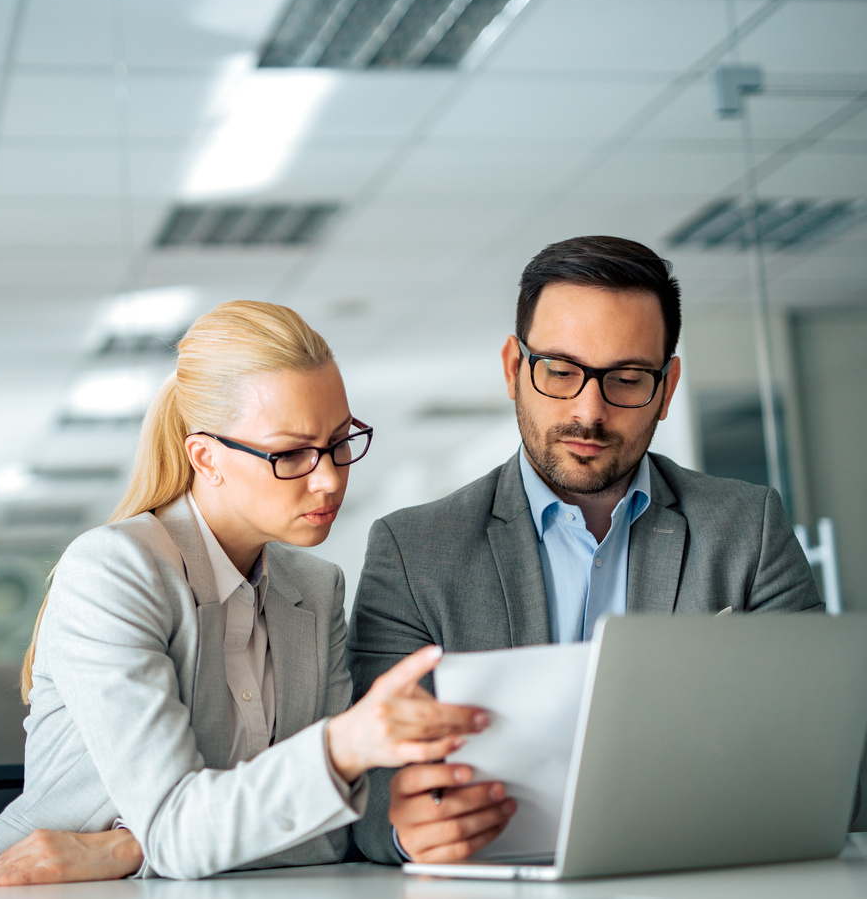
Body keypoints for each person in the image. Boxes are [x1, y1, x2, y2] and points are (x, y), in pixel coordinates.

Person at [0, 300, 487, 886]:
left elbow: (324, 838)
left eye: (338, 441)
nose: (328, 476)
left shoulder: (316, 589)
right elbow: (189, 831)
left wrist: (124, 849)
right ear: (206, 457)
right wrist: (340, 749)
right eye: (291, 454)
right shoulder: (115, 572)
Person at [347, 236, 822, 866]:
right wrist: (406, 825)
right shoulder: (413, 552)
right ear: (514, 368)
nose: (588, 412)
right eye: (561, 371)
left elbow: (824, 761)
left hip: (699, 884)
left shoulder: (748, 531)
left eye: (627, 379)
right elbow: (367, 785)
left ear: (668, 383)